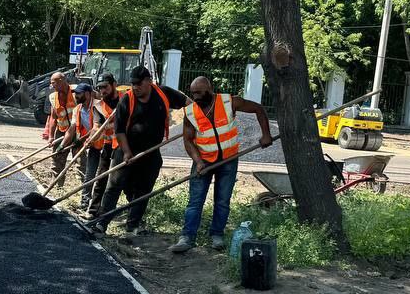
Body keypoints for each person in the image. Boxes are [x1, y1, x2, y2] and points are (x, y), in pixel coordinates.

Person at [173, 77, 272, 253]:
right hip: (203, 162)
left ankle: (216, 235)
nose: (195, 97)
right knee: (195, 202)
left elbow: (258, 108)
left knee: (222, 201)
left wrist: (266, 134)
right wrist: (198, 161)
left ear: (209, 90)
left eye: (199, 93)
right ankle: (187, 237)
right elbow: (188, 141)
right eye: (193, 93)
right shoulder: (190, 112)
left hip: (228, 160)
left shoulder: (229, 102)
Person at [96, 66, 188, 236]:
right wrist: (126, 152)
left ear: (149, 81)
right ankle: (101, 223)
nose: (135, 87)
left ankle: (133, 226)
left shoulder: (163, 93)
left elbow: (189, 104)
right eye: (133, 84)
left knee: (144, 189)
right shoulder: (127, 99)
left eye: (139, 84)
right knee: (115, 185)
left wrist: (193, 121)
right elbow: (119, 130)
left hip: (151, 151)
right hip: (126, 149)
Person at [61, 81, 116, 215]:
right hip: (94, 145)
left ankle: (104, 206)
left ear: (87, 94)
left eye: (78, 94)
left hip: (109, 146)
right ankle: (85, 203)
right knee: (89, 174)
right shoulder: (77, 109)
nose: (76, 97)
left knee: (106, 178)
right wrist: (62, 146)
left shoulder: (98, 105)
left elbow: (102, 126)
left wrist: (84, 139)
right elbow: (72, 128)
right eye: (75, 94)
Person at [45, 71, 78, 176]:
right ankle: (57, 186)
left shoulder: (76, 91)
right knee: (57, 160)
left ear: (61, 81)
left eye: (53, 83)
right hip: (62, 132)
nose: (52, 85)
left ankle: (84, 188)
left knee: (80, 161)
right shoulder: (53, 97)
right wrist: (51, 137)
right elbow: (53, 118)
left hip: (78, 132)